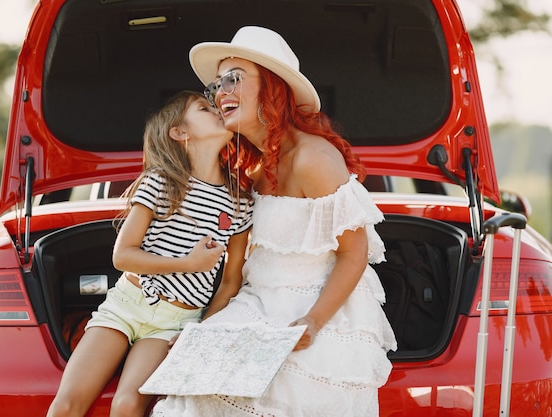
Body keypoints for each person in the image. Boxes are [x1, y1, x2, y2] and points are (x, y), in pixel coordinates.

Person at [151, 27, 397, 417]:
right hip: (258, 303)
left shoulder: (312, 158)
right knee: (192, 390)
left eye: (233, 78)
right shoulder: (251, 169)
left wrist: (312, 323)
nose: (220, 93)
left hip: (321, 306)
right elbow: (236, 276)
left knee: (284, 394)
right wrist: (199, 332)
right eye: (216, 85)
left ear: (272, 87)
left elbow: (354, 254)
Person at [46, 91, 259, 417]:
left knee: (128, 405)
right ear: (180, 132)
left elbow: (230, 283)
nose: (217, 110)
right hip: (127, 304)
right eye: (204, 108)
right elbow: (123, 255)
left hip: (175, 322)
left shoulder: (240, 203)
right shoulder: (161, 183)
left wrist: (200, 333)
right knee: (67, 405)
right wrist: (187, 264)